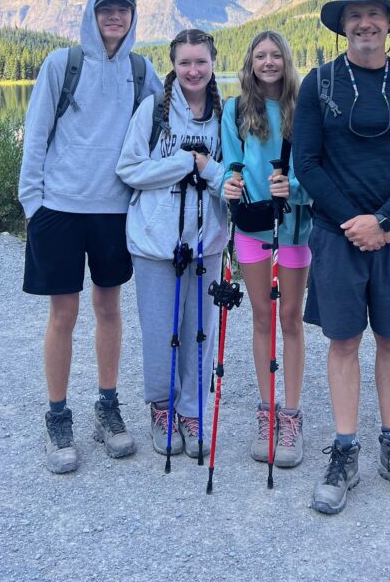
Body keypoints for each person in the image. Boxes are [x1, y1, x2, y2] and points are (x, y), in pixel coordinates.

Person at [293, 0, 390, 515]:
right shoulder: (319, 83)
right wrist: (355, 221)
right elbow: (305, 163)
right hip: (337, 235)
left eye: (374, 13)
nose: (365, 23)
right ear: (342, 24)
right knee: (345, 341)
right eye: (355, 15)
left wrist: (384, 219)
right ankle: (346, 448)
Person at [19, 0, 162, 474]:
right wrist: (32, 205)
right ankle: (58, 415)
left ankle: (107, 406)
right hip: (59, 207)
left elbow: (164, 130)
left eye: (124, 9)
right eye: (107, 9)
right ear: (92, 14)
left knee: (108, 306)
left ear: (133, 15)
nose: (115, 17)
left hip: (115, 210)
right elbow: (35, 136)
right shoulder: (62, 65)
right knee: (63, 314)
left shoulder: (142, 72)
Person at [116, 29, 226, 460]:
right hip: (155, 242)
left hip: (206, 243)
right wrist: (183, 164)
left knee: (200, 331)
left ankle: (192, 411)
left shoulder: (225, 114)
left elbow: (228, 177)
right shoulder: (153, 111)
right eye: (185, 63)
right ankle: (162, 408)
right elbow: (129, 169)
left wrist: (209, 171)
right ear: (173, 66)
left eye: (200, 62)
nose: (193, 70)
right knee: (161, 331)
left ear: (213, 63)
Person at [222, 31, 312, 469]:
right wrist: (230, 183)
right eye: (261, 55)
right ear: (251, 62)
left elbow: (315, 166)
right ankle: (266, 409)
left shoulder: (304, 105)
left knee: (290, 318)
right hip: (252, 228)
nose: (270, 62)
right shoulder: (235, 109)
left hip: (294, 227)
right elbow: (230, 160)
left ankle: (291, 414)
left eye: (277, 54)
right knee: (262, 316)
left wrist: (292, 186)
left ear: (286, 59)